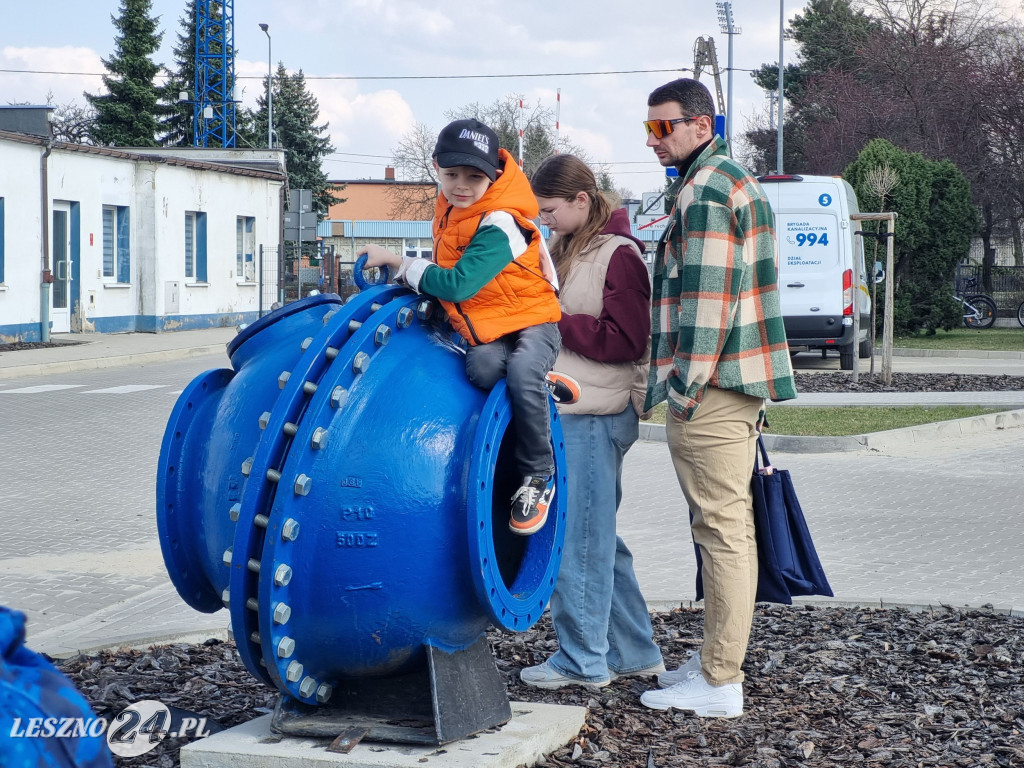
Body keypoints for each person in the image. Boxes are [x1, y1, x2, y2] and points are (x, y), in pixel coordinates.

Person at [637, 79, 797, 717]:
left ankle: (720, 681)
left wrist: (682, 391)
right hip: (733, 384)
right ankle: (712, 666)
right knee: (722, 526)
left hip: (713, 388)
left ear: (702, 125)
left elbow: (707, 304)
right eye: (649, 129)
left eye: (665, 127)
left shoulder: (705, 190)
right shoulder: (727, 181)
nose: (655, 140)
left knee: (723, 530)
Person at [358, 118, 564, 536]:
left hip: (532, 320)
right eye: (452, 175)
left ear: (494, 175)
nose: (462, 185)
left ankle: (540, 475)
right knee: (482, 370)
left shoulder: (501, 221)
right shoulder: (450, 214)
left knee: (523, 370)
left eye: (474, 177)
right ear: (436, 167)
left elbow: (460, 282)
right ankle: (543, 383)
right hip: (492, 326)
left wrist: (400, 264)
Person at [517, 154, 664, 690]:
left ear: (582, 200)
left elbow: (627, 340)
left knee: (577, 539)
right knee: (598, 539)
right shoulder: (569, 248)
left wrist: (554, 315)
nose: (545, 219)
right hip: (576, 412)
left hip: (595, 415)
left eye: (551, 209)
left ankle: (582, 661)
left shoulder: (618, 255)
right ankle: (633, 652)